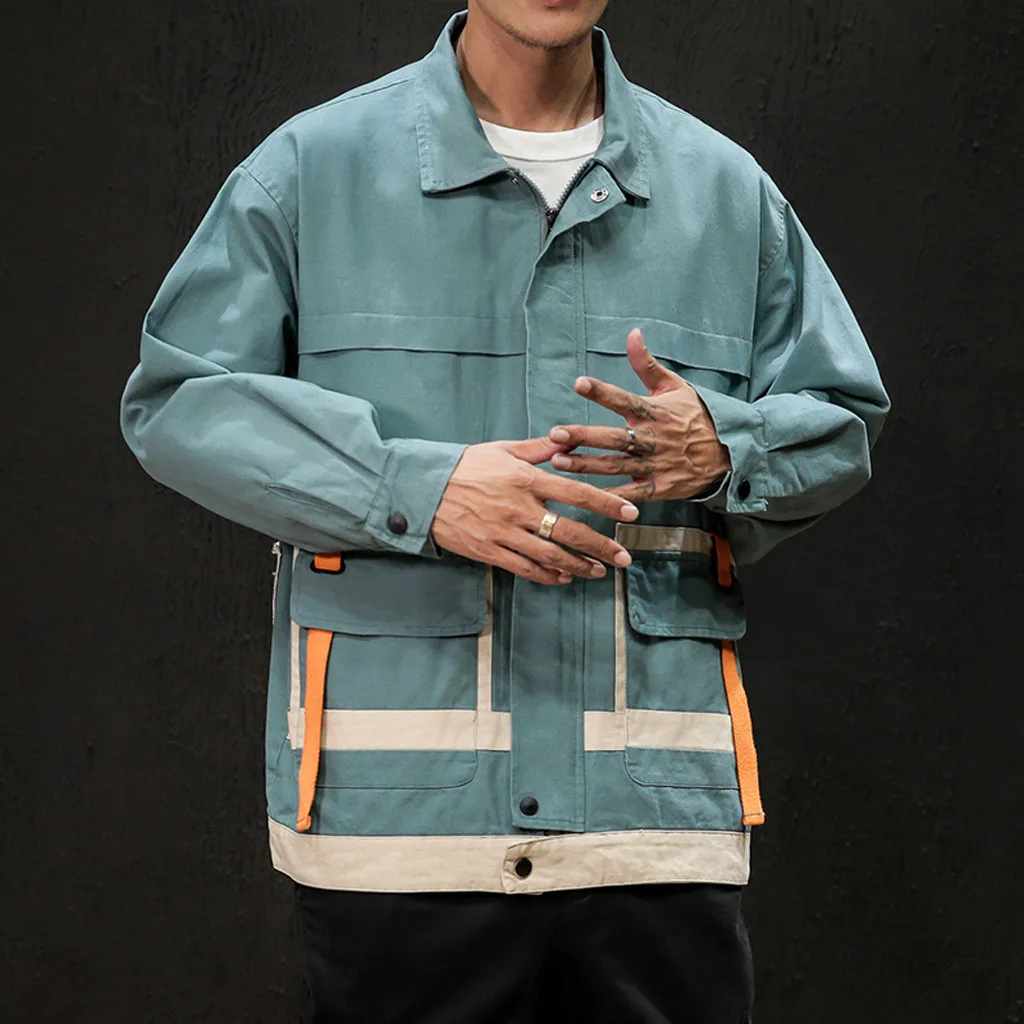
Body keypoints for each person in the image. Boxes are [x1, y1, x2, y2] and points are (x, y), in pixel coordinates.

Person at [119, 2, 890, 1020]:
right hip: (402, 832)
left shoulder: (723, 192)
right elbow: (180, 402)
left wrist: (724, 450)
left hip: (652, 831)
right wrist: (418, 490)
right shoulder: (313, 171)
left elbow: (841, 423)